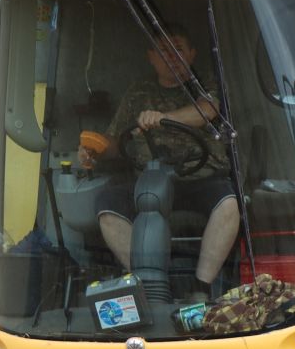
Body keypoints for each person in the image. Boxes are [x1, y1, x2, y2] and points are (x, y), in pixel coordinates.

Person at [74, 30, 242, 300]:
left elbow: (208, 111)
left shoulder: (206, 84)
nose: (171, 57)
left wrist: (163, 117)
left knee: (230, 203)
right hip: (148, 181)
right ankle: (145, 288)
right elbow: (117, 141)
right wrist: (93, 151)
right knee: (108, 205)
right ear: (151, 57)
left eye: (178, 48)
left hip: (200, 179)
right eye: (163, 50)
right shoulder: (138, 92)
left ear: (191, 54)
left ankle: (201, 288)